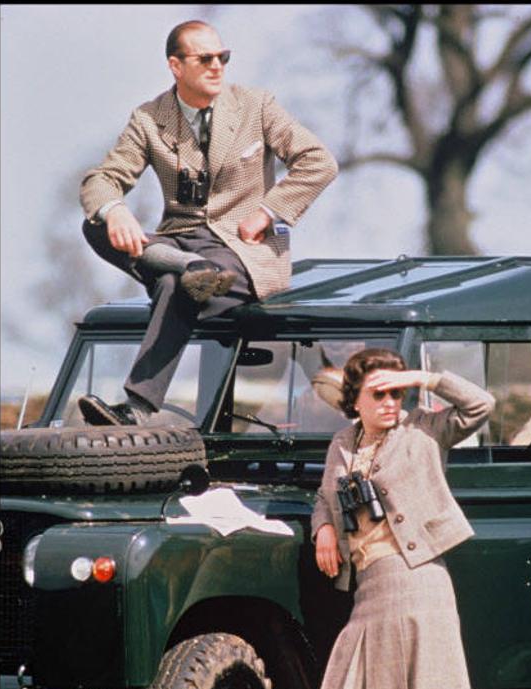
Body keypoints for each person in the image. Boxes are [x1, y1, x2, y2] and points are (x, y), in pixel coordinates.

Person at [77, 19, 338, 427]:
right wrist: (117, 211)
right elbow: (102, 179)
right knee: (95, 223)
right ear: (176, 66)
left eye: (224, 57)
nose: (218, 66)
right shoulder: (149, 118)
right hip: (178, 243)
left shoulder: (257, 106)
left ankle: (138, 407)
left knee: (173, 285)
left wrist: (267, 212)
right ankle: (184, 267)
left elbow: (319, 161)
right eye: (205, 59)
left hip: (241, 250)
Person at [307, 348, 495, 689]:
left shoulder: (423, 431)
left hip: (416, 581)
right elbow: (326, 497)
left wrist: (424, 377)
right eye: (380, 394)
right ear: (356, 401)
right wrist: (323, 525)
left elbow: (481, 405)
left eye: (397, 392)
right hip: (370, 584)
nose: (391, 402)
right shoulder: (342, 444)